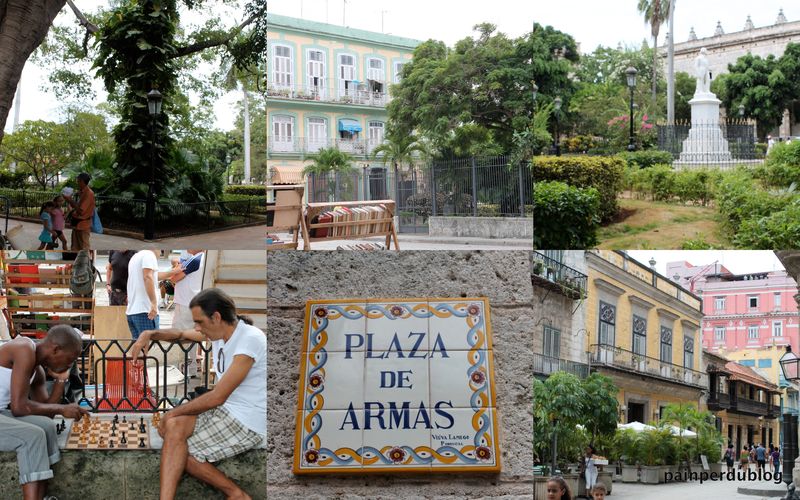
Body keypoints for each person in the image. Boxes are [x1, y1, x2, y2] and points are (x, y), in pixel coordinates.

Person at [128, 288, 266, 500]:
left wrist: (172, 413)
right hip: (226, 410)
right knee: (173, 433)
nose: (197, 328)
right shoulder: (221, 333)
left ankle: (236, 494)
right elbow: (181, 335)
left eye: (200, 322)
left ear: (217, 317)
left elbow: (218, 396)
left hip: (248, 420)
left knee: (178, 449)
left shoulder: (250, 339)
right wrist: (150, 334)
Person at [0, 325, 90, 500]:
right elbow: (19, 407)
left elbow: (45, 413)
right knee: (32, 436)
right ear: (56, 349)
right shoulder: (24, 349)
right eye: (70, 360)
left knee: (47, 427)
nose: (70, 366)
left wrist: (60, 381)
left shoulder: (38, 371)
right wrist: (62, 408)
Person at [125, 250, 179, 339]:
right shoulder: (149, 255)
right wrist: (153, 303)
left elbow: (154, 276)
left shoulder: (136, 256)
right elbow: (148, 277)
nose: (161, 252)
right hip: (145, 311)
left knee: (139, 347)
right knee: (148, 346)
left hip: (133, 312)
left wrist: (173, 271)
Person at [171, 250, 205, 377]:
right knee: (192, 335)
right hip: (195, 301)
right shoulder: (204, 258)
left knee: (183, 335)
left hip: (185, 303)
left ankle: (187, 367)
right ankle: (191, 367)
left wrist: (175, 266)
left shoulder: (194, 259)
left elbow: (174, 278)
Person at [64, 172, 95, 251]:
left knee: (84, 247)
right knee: (75, 246)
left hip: (83, 224)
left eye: (78, 181)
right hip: (77, 223)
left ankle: (84, 262)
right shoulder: (81, 191)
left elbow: (81, 211)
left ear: (82, 181)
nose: (77, 182)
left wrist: (70, 200)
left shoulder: (89, 193)